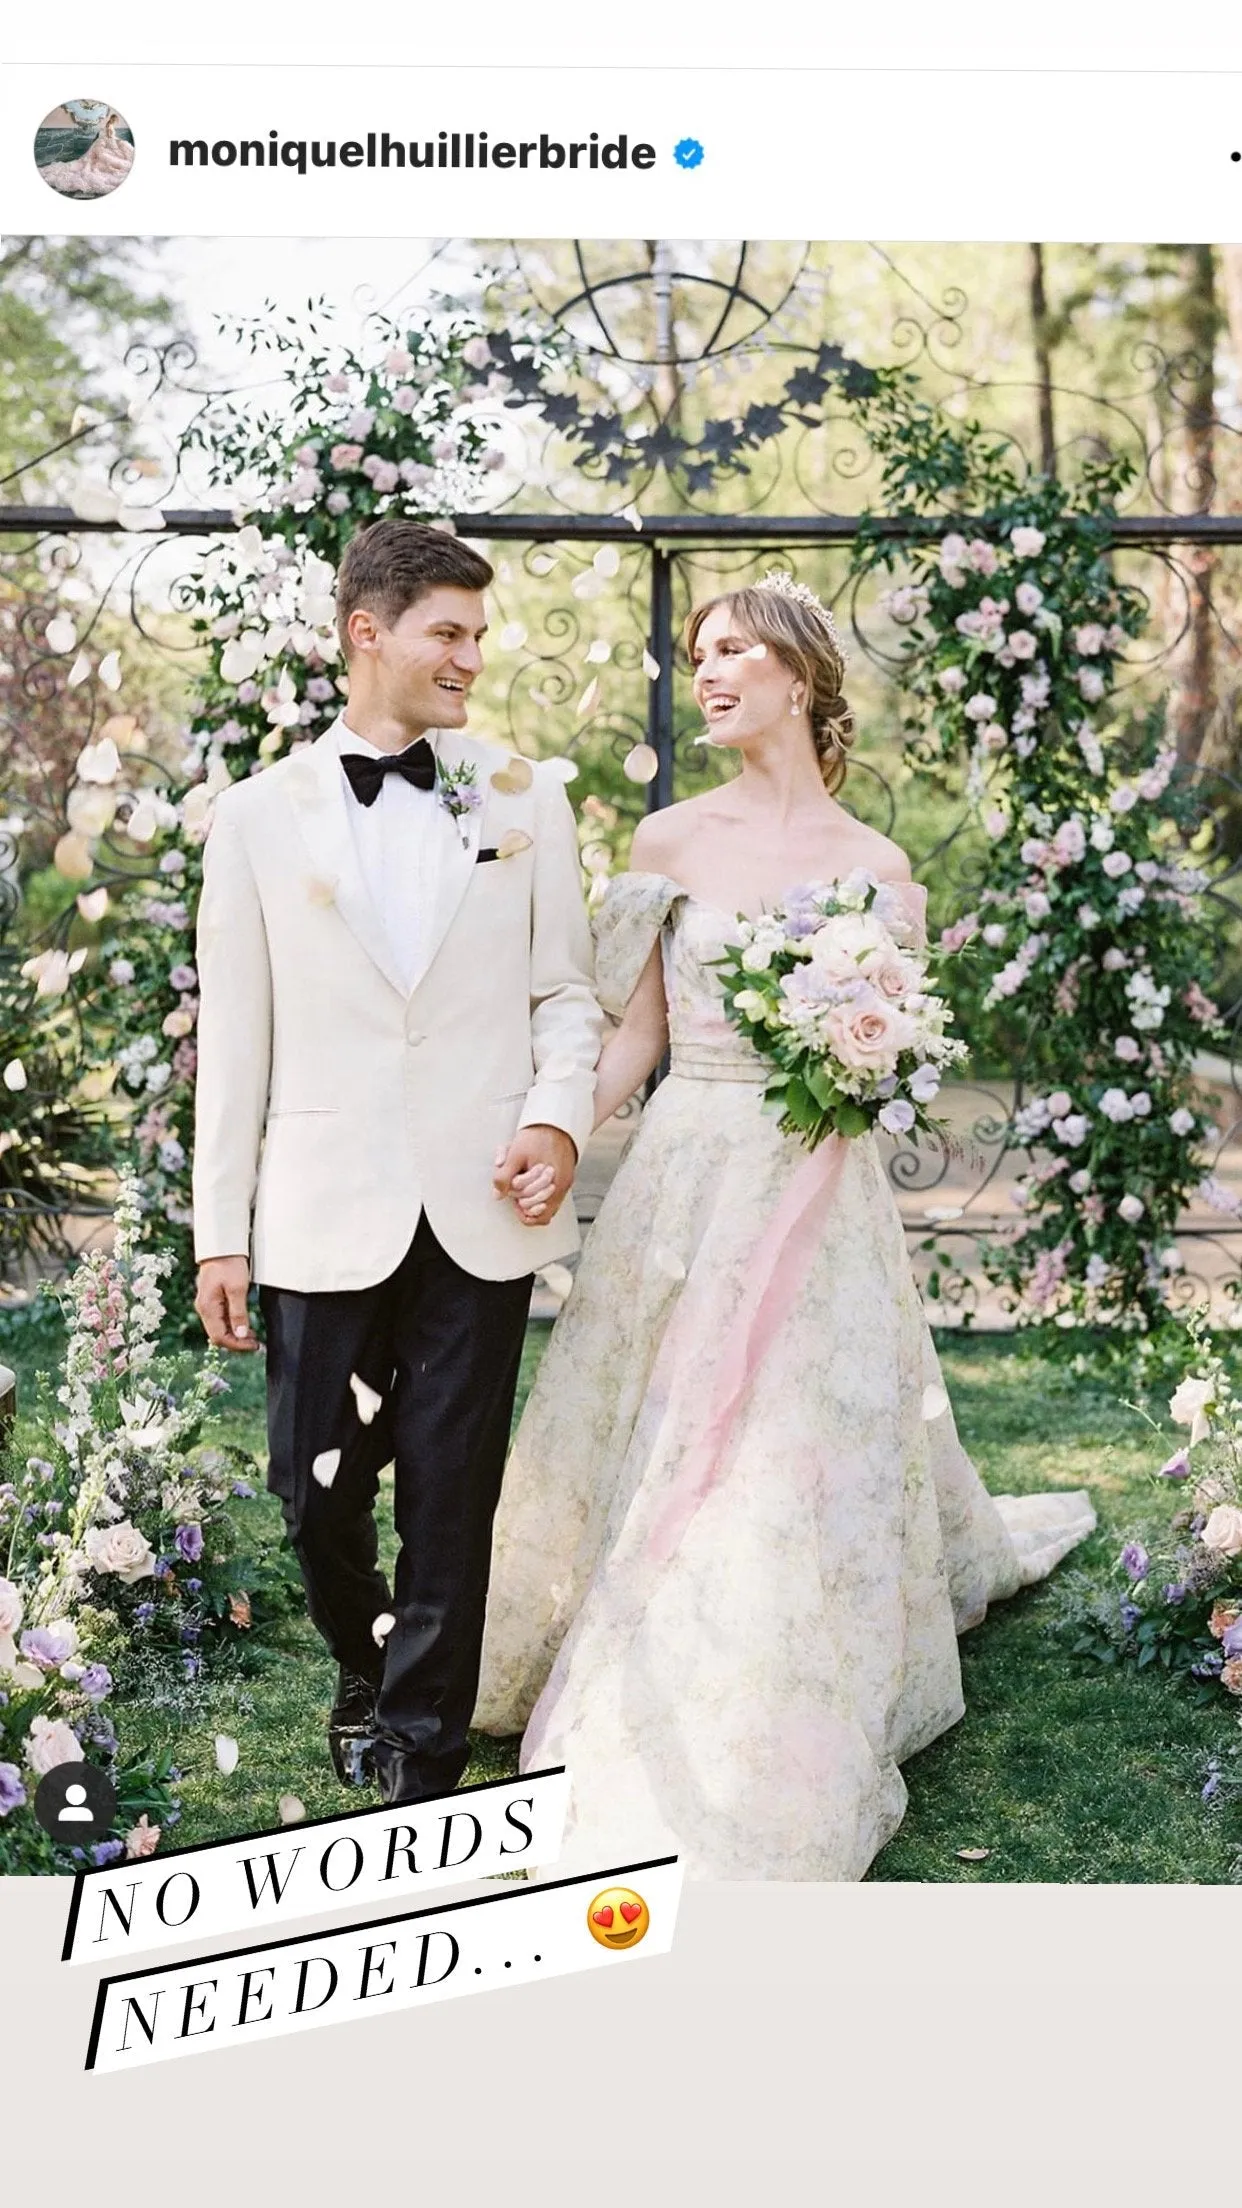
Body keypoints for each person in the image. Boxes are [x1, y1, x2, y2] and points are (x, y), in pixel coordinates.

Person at [473, 571, 1095, 1881]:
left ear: (797, 677)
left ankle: (777, 1649)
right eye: (700, 653)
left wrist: (857, 1062)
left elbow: (900, 1048)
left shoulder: (876, 870)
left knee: (791, 1434)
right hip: (687, 1176)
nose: (708, 673)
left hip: (818, 1185)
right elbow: (632, 1035)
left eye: (734, 653)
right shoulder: (664, 844)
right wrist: (556, 1133)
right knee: (657, 1412)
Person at [191, 519, 602, 1805]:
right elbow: (236, 1039)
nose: (471, 658)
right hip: (323, 1202)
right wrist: (220, 1228)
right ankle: (367, 1665)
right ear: (367, 631)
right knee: (311, 1493)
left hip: (481, 1199)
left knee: (448, 1488)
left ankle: (419, 1748)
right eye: (449, 632)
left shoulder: (526, 795)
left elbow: (568, 998)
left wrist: (557, 1118)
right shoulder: (257, 818)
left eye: (480, 635)